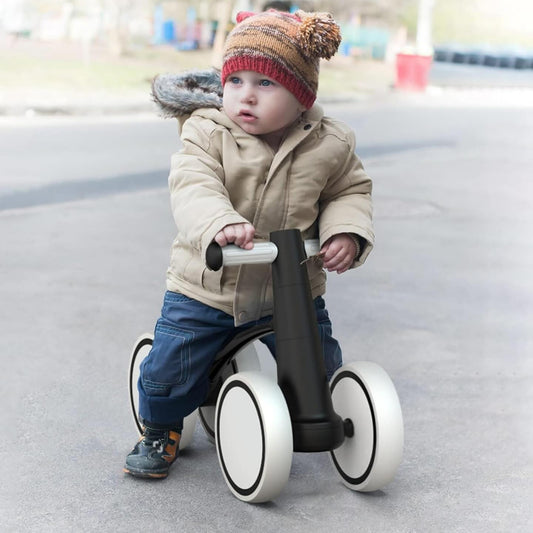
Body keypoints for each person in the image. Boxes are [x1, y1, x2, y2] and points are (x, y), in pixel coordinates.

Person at [124, 9, 374, 479]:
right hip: (210, 285)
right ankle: (159, 428)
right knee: (171, 369)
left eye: (265, 83)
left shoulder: (330, 142)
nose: (245, 95)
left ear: (302, 95)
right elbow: (194, 184)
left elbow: (349, 190)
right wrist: (220, 222)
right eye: (235, 80)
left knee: (320, 364)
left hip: (293, 290)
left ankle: (320, 411)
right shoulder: (208, 131)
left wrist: (347, 232)